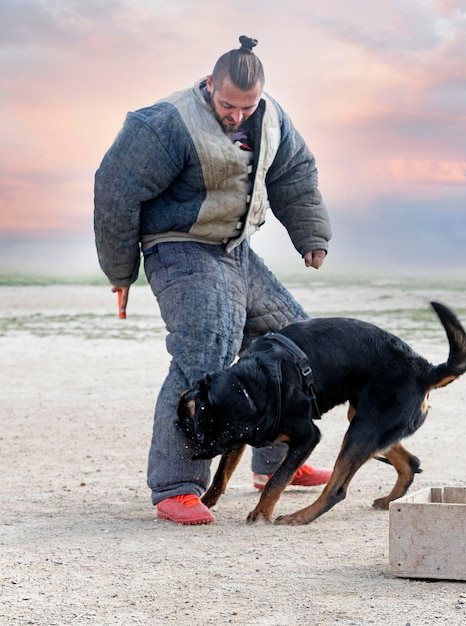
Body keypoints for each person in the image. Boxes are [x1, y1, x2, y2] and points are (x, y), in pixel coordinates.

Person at [94, 36, 333, 524]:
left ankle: (277, 462)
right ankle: (177, 486)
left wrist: (310, 234)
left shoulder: (271, 118)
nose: (237, 115)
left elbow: (295, 174)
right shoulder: (162, 124)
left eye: (247, 106)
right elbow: (115, 192)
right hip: (179, 246)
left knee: (291, 341)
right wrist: (121, 271)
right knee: (204, 350)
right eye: (228, 104)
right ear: (210, 85)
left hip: (235, 249)